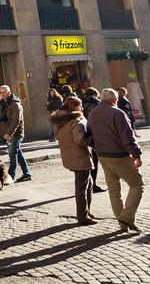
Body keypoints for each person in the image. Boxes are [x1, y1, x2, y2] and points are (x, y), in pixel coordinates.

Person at [87, 88, 144, 232]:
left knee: (114, 190)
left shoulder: (93, 113)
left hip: (102, 156)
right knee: (137, 184)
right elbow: (128, 137)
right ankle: (127, 217)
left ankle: (123, 225)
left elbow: (90, 134)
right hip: (118, 156)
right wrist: (136, 155)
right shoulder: (118, 113)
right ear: (115, 100)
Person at [51, 96, 96, 226]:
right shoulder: (76, 120)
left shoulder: (59, 120)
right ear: (74, 107)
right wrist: (92, 139)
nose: (82, 108)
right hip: (80, 156)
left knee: (89, 184)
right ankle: (83, 216)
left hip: (69, 155)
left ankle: (86, 211)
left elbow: (59, 137)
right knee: (82, 187)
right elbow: (80, 139)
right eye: (80, 105)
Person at [0, 85, 31, 182]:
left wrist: (8, 134)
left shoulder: (15, 104)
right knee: (18, 154)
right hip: (9, 132)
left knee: (12, 154)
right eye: (1, 92)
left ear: (9, 93)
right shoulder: (3, 104)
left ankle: (10, 176)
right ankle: (27, 174)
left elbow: (16, 121)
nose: (2, 94)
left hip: (16, 133)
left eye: (4, 92)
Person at [82, 88, 107, 194]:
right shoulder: (98, 105)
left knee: (92, 162)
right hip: (98, 135)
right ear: (95, 94)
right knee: (104, 160)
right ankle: (95, 184)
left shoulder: (81, 104)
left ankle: (90, 184)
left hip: (86, 135)